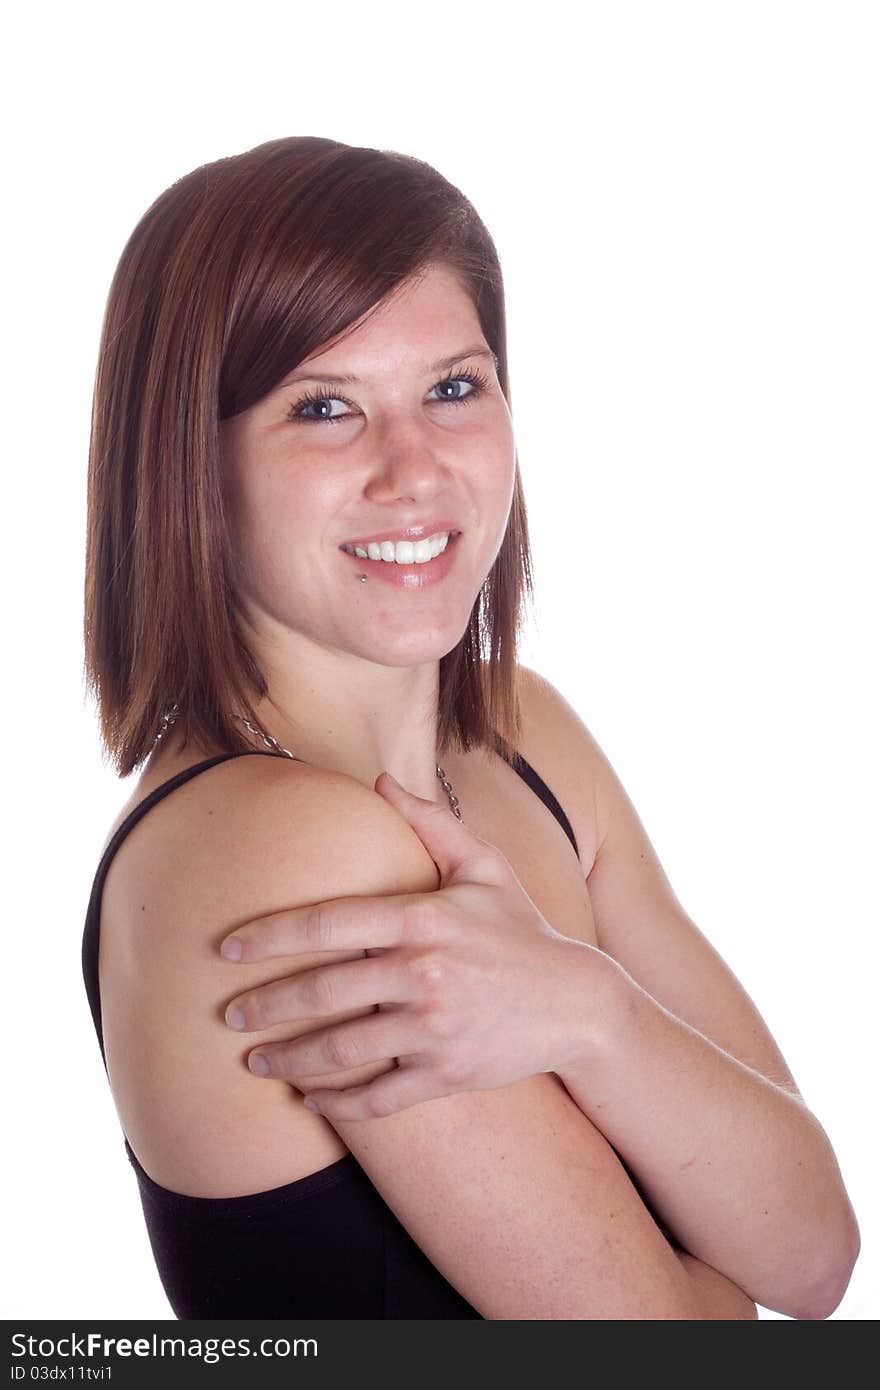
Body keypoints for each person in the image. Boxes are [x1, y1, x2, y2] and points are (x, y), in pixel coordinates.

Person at [81, 135, 859, 1320]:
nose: (416, 470)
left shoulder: (519, 736)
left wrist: (587, 1008)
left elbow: (814, 1257)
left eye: (454, 387)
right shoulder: (272, 847)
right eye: (324, 406)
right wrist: (708, 1262)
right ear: (194, 463)